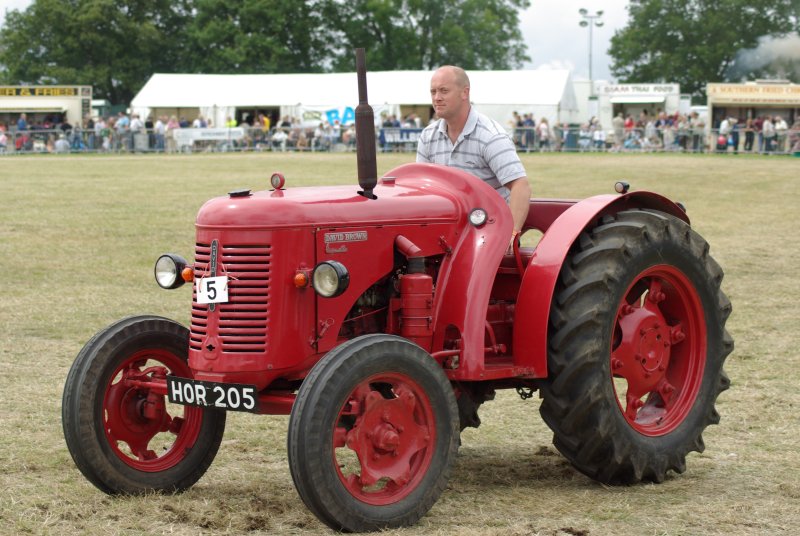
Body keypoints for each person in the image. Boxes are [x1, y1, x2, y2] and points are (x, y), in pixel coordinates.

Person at [416, 65, 530, 246]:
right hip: (446, 231)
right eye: (433, 92)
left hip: (486, 230)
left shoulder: (490, 136)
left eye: (444, 91)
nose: (437, 98)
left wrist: (511, 234)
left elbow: (520, 186)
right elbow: (421, 188)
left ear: (464, 93)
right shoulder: (428, 136)